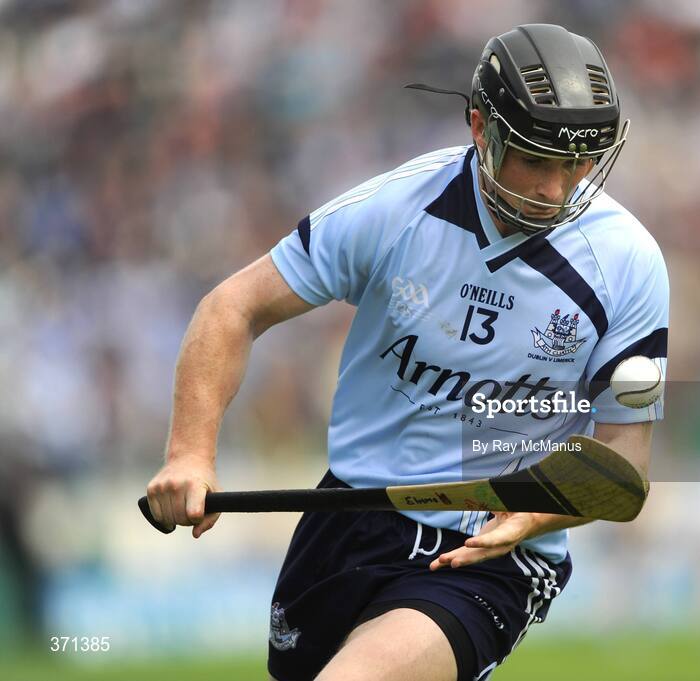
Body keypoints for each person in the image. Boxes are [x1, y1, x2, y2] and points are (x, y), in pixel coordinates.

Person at [145, 23, 669, 681]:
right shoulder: (395, 211)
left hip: (494, 551)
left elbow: (625, 461)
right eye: (537, 160)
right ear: (482, 127)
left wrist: (531, 513)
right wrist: (190, 454)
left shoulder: (626, 262)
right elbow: (232, 307)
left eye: (577, 163)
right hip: (348, 519)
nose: (556, 189)